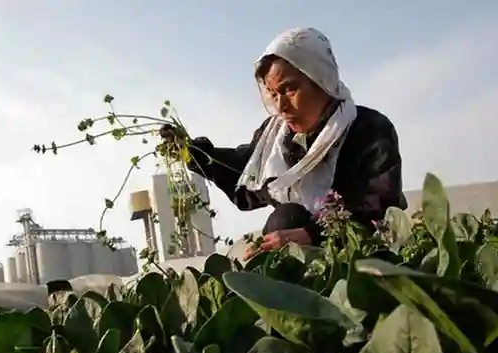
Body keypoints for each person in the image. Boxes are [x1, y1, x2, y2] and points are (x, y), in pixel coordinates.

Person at [160, 27, 406, 259]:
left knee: (288, 218)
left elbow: (379, 208)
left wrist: (312, 235)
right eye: (273, 94)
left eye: (290, 89)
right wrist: (194, 153)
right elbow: (245, 171)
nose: (281, 106)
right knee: (285, 219)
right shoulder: (275, 139)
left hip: (364, 255)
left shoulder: (369, 130)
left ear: (321, 79)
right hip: (305, 262)